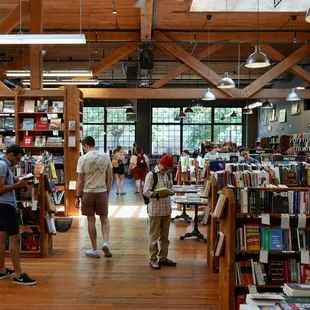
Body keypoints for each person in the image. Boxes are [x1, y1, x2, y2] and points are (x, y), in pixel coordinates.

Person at [0, 145, 36, 285]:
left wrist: (13, 180)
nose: (18, 163)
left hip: (2, 206)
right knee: (15, 239)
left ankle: (2, 270)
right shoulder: (3, 165)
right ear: (11, 155)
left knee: (2, 239)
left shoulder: (3, 164)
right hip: (5, 206)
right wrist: (17, 185)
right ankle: (18, 274)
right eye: (18, 159)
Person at [76, 136, 113, 259]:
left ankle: (94, 249)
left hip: (87, 192)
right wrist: (107, 192)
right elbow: (110, 177)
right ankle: (106, 242)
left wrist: (77, 196)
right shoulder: (106, 157)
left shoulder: (82, 159)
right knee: (104, 218)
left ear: (86, 145)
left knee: (91, 220)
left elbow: (80, 181)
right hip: (101, 191)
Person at [143, 154, 176, 270]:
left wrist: (171, 192)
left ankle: (163, 257)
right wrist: (158, 194)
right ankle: (152, 259)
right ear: (160, 164)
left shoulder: (168, 174)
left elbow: (171, 187)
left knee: (165, 237)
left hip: (166, 209)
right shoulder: (151, 175)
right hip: (155, 210)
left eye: (168, 168)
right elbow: (146, 191)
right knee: (154, 236)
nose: (166, 169)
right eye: (165, 167)